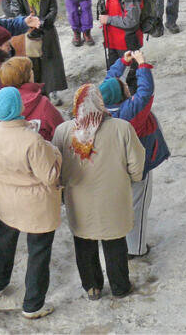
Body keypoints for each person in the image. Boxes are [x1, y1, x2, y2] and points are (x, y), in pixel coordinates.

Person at [52, 83, 144, 300]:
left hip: (78, 199)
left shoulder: (64, 131)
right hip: (113, 198)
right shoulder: (122, 128)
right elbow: (137, 165)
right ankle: (120, 286)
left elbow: (56, 165)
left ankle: (92, 287)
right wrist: (131, 178)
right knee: (114, 242)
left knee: (84, 242)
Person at [0, 87, 62, 320]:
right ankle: (33, 304)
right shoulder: (32, 140)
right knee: (38, 251)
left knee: (5, 242)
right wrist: (55, 152)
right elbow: (49, 175)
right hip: (36, 203)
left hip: (7, 198)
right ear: (17, 108)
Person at [100, 50, 170, 258]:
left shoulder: (100, 107)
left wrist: (122, 63)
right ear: (123, 95)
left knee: (119, 204)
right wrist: (142, 65)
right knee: (138, 205)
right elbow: (145, 91)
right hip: (138, 165)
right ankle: (137, 249)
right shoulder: (130, 112)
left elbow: (108, 82)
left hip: (113, 166)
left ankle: (119, 239)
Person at [6, 0, 67, 103]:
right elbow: (15, 10)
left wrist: (45, 22)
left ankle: (52, 91)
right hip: (29, 30)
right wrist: (30, 22)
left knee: (51, 61)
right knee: (34, 63)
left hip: (47, 28)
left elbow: (53, 8)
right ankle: (37, 94)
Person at [98, 0, 143, 92]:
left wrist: (109, 19)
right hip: (112, 42)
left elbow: (131, 21)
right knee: (113, 77)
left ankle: (135, 107)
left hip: (127, 44)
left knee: (131, 78)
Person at [0, 57, 64, 142]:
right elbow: (61, 130)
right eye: (30, 70)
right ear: (29, 76)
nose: (32, 72)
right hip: (43, 152)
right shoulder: (43, 104)